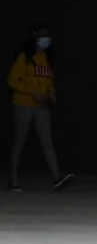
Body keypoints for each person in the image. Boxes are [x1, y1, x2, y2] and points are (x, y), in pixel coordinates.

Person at [7, 27, 73, 192]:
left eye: (47, 36)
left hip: (41, 106)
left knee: (47, 143)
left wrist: (51, 92)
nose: (46, 39)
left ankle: (57, 177)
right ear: (34, 38)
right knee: (19, 142)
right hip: (23, 104)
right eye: (42, 36)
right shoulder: (25, 57)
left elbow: (49, 82)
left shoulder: (47, 60)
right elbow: (12, 80)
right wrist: (31, 91)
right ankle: (13, 180)